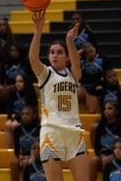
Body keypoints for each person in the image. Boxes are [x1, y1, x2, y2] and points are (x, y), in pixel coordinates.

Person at [29, 10, 89, 181]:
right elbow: (33, 58)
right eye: (52, 52)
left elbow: (76, 62)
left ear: (66, 57)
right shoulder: (45, 73)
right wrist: (38, 29)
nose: (54, 55)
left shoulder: (73, 74)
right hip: (51, 132)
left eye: (59, 52)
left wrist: (69, 40)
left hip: (73, 133)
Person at [89, 101, 121, 181]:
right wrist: (101, 156)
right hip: (103, 156)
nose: (106, 111)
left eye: (110, 108)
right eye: (104, 109)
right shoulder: (100, 126)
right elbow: (97, 146)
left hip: (117, 155)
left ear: (116, 111)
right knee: (94, 160)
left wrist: (113, 156)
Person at [0, 43, 33, 113]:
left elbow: (31, 77)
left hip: (22, 86)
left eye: (16, 51)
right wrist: (0, 85)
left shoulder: (27, 63)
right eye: (11, 50)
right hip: (9, 87)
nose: (13, 52)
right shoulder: (7, 63)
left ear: (20, 51)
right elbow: (1, 76)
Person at [78, 42, 113, 113]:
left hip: (98, 85)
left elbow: (109, 75)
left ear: (94, 48)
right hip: (85, 86)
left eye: (91, 50)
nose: (90, 53)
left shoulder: (103, 59)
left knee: (91, 93)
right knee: (70, 93)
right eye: (87, 52)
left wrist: (102, 85)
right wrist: (78, 55)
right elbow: (77, 75)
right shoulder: (83, 61)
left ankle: (92, 115)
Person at [5, 74, 38, 148]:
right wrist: (9, 119)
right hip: (17, 117)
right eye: (16, 81)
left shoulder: (30, 94)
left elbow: (31, 112)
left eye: (20, 81)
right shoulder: (12, 93)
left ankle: (15, 150)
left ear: (26, 82)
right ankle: (8, 150)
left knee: (14, 125)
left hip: (28, 118)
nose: (17, 84)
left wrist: (17, 119)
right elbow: (9, 109)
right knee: (8, 125)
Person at [10, 106, 40, 181]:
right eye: (23, 114)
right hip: (23, 156)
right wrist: (20, 156)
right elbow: (16, 149)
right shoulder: (17, 129)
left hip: (36, 155)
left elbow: (40, 147)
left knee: (28, 163)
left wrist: (31, 157)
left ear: (34, 115)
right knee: (13, 163)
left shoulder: (40, 129)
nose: (25, 116)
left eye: (27, 114)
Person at [0, 17, 16, 86]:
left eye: (3, 25)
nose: (2, 27)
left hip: (12, 62)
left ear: (7, 26)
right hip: (1, 63)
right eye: (0, 25)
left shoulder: (13, 39)